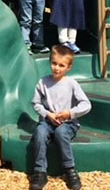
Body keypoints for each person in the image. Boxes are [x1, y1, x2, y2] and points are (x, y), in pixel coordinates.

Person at [29, 44, 91, 190]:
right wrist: (48, 114)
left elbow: (86, 104)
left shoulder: (71, 84)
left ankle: (69, 170)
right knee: (39, 132)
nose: (57, 68)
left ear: (68, 68)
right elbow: (35, 103)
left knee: (61, 132)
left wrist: (69, 113)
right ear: (50, 62)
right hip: (48, 120)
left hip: (68, 123)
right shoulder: (43, 83)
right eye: (54, 63)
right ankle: (39, 171)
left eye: (61, 65)